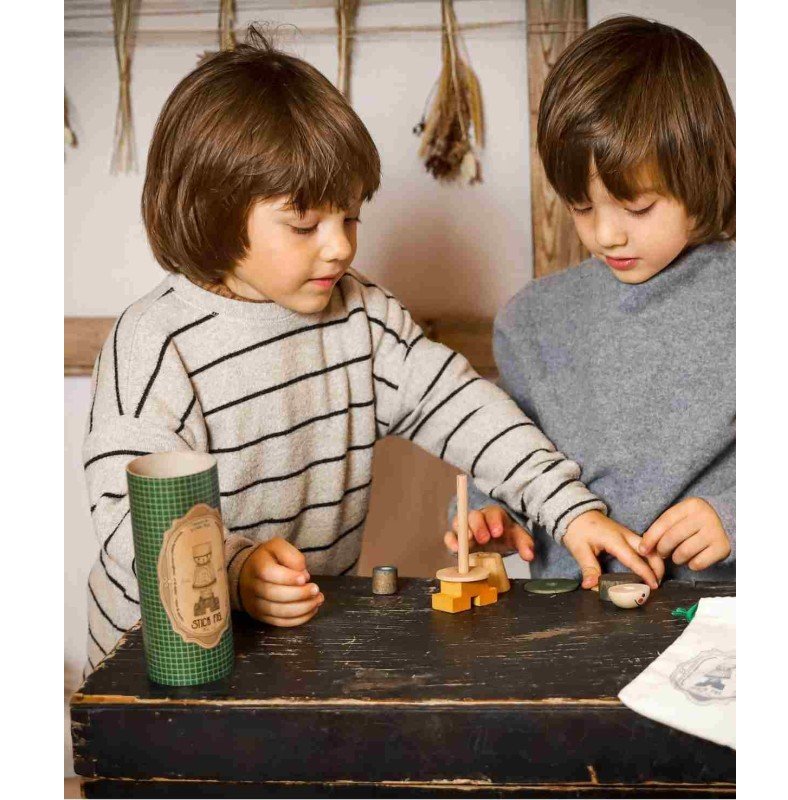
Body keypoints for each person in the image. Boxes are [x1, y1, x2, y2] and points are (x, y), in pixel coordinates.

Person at [83, 27, 664, 674]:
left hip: (289, 643)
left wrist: (570, 510)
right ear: (213, 212)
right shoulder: (155, 345)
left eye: (351, 217)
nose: (339, 246)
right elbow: (127, 522)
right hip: (148, 660)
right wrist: (236, 570)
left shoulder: (362, 318)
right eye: (304, 225)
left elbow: (466, 410)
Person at [445, 15, 735, 588]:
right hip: (567, 623)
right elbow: (503, 455)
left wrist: (737, 515)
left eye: (638, 207)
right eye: (582, 206)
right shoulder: (531, 321)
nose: (607, 234)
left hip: (719, 632)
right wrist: (487, 516)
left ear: (702, 173)